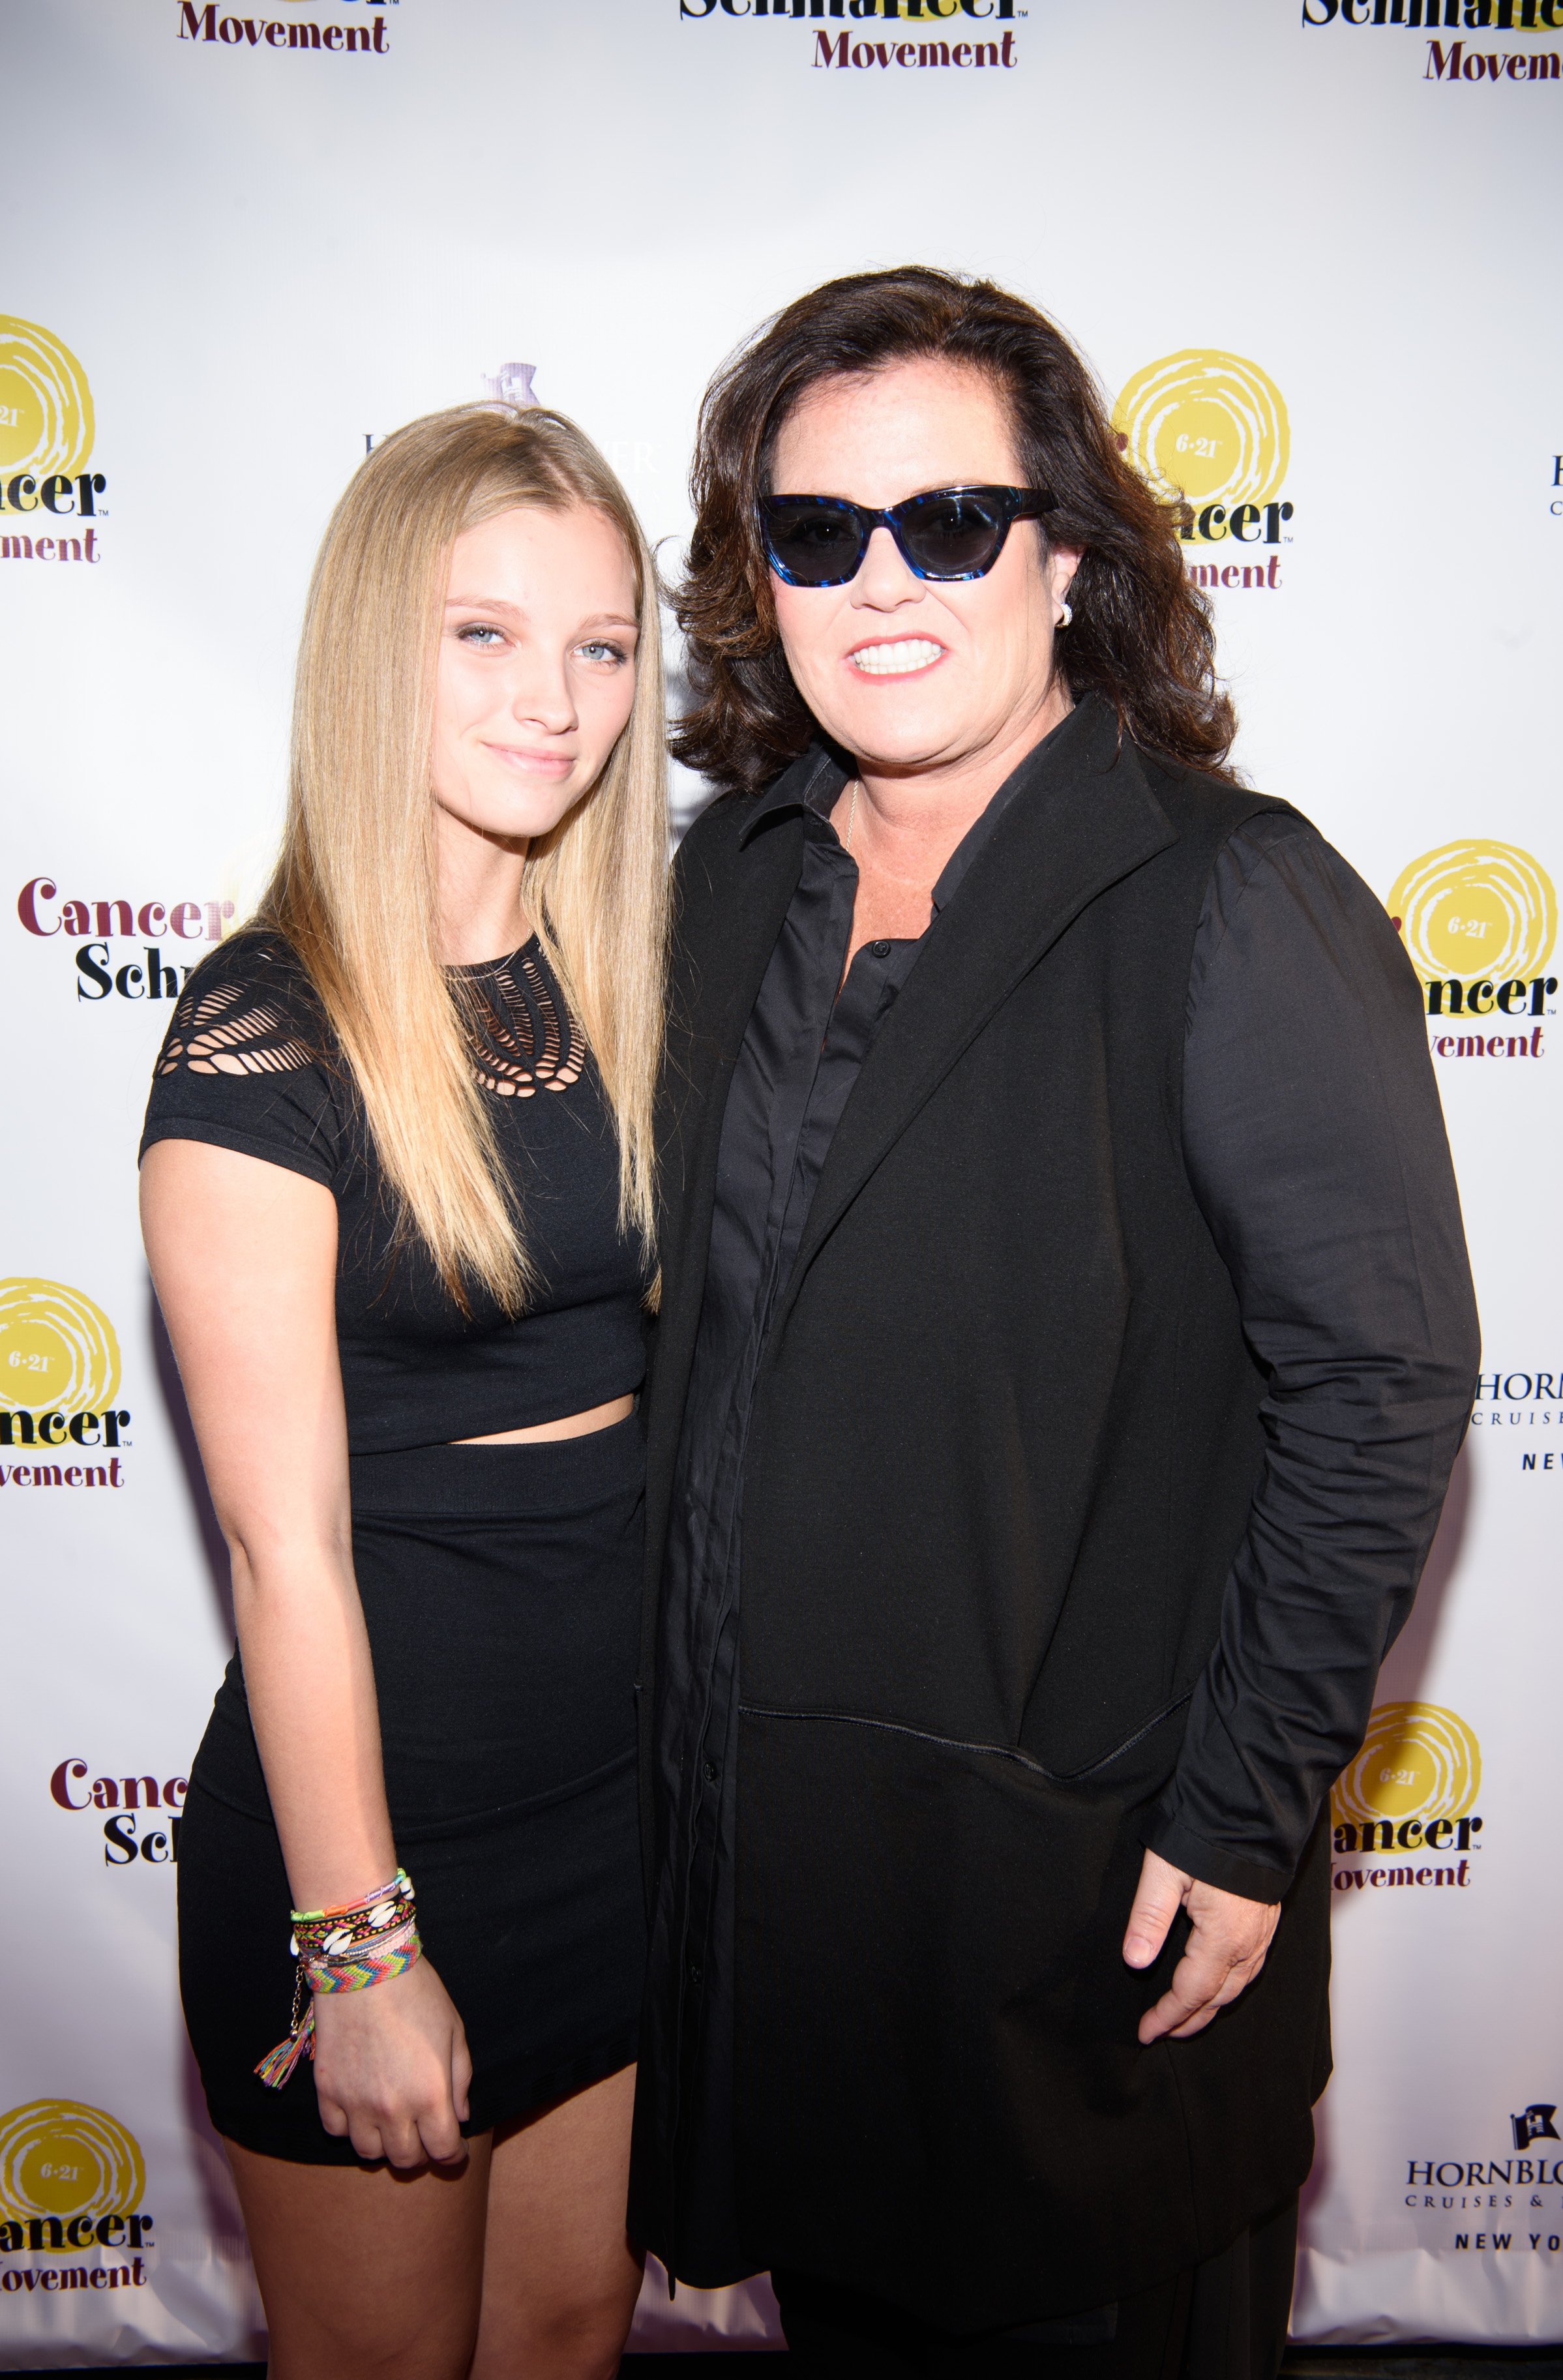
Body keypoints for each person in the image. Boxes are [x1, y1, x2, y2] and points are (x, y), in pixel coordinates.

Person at [629, 268, 1480, 2379]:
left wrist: (1244, 1800)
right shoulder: (724, 883)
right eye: (816, 534)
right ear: (760, 579)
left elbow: (1381, 1385)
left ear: (1071, 553)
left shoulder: (1230, 894)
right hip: (794, 1922)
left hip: (1086, 1917)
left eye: (951, 521)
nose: (881, 582)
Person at [140, 402, 670, 2380]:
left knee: (561, 2337)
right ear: (380, 645)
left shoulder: (633, 984)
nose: (557, 698)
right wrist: (358, 1946)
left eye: (603, 645)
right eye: (485, 635)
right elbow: (284, 1555)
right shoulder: (265, 1032)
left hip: (616, 1824)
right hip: (382, 1849)